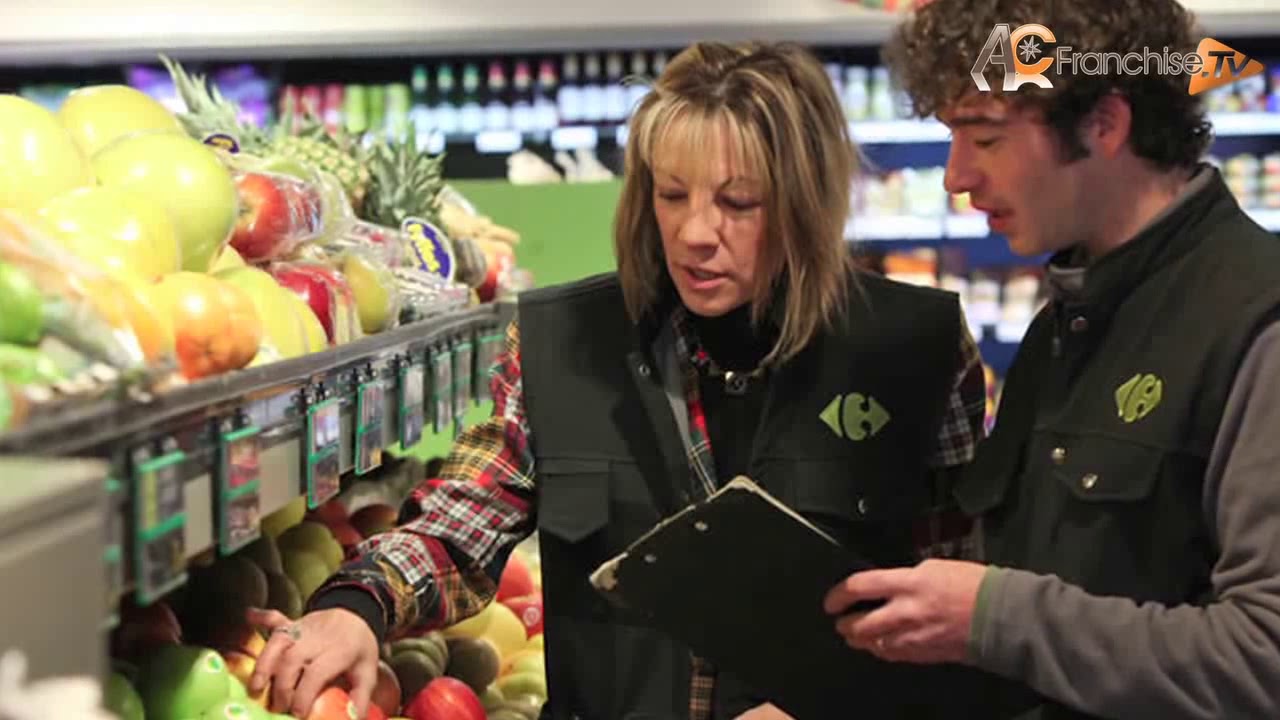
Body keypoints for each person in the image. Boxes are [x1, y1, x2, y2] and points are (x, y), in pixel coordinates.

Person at [248, 40, 989, 720]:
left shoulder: (913, 352)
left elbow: (973, 607)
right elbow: (463, 520)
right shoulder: (563, 342)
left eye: (738, 203)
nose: (696, 232)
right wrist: (358, 604)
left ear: (806, 201)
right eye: (673, 195)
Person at [822, 1, 1280, 719]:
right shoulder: (1064, 325)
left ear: (1104, 122)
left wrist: (993, 617)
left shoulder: (1259, 323)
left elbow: (1265, 658)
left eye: (985, 137)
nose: (955, 177)